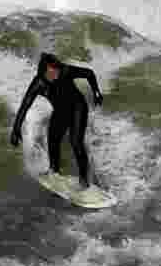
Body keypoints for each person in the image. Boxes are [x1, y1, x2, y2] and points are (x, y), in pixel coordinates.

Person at [10, 52, 105, 194]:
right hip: (61, 111)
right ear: (43, 73)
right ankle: (54, 171)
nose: (55, 74)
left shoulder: (65, 70)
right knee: (53, 138)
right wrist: (15, 129)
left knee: (76, 142)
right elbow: (25, 105)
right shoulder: (38, 83)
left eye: (56, 70)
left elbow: (89, 73)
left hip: (78, 108)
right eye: (51, 72)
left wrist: (96, 92)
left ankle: (84, 181)